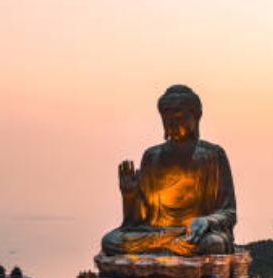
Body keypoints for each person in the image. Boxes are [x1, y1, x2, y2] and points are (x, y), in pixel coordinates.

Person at [101, 85, 237, 257]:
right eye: (167, 117)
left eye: (179, 115)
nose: (172, 122)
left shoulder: (213, 155)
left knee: (212, 244)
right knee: (110, 241)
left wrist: (206, 220)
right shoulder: (152, 156)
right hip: (157, 234)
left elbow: (228, 212)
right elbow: (139, 220)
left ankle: (165, 250)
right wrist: (129, 195)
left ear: (195, 116)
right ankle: (169, 248)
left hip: (194, 236)